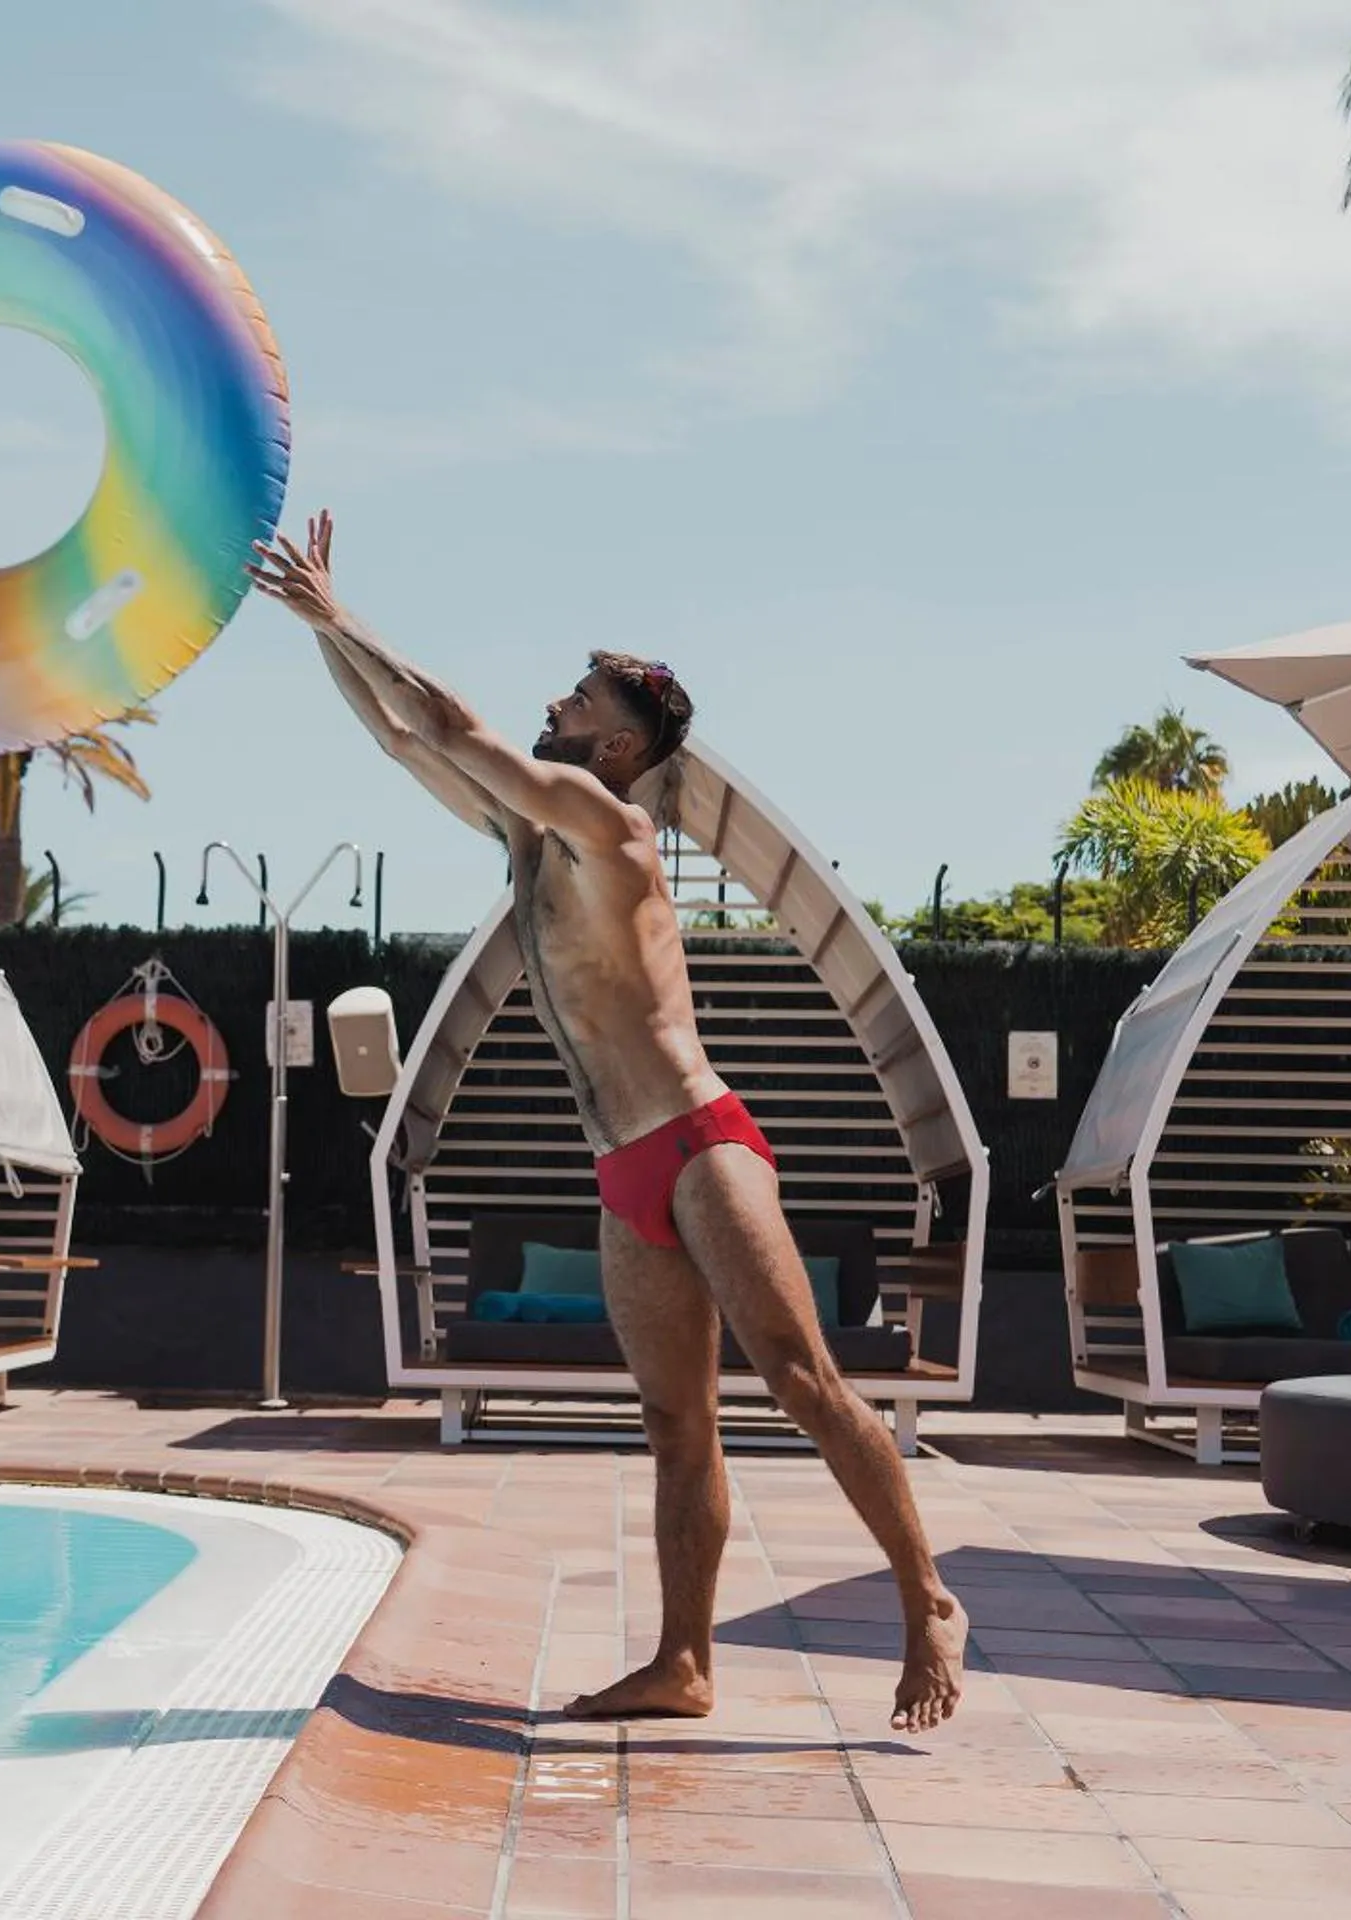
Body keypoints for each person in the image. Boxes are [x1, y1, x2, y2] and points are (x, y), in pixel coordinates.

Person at [248, 512, 964, 1733]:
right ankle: (684, 1665)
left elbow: (462, 728)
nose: (555, 702)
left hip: (698, 1141)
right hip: (623, 1165)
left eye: (576, 698)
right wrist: (319, 622)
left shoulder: (613, 828)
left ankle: (926, 1598)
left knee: (799, 1379)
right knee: (675, 1422)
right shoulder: (531, 837)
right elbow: (405, 732)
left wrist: (346, 619)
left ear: (618, 742)